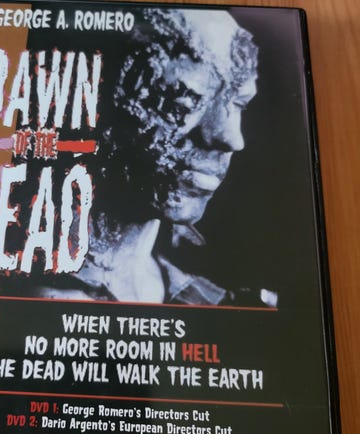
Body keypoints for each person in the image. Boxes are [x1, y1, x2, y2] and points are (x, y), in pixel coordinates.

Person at [36, 8, 277, 307]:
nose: (232, 138)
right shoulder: (29, 299)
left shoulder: (220, 305)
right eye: (183, 98)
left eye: (239, 103)